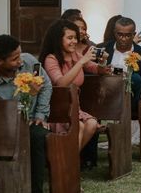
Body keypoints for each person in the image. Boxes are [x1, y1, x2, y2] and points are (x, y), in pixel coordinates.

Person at [0, 34, 52, 193]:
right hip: (4, 128)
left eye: (19, 55)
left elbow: (46, 85)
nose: (20, 61)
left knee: (37, 138)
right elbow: (1, 114)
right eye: (14, 59)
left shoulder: (29, 61)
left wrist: (40, 114)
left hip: (32, 122)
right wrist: (27, 93)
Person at [39, 19, 107, 150]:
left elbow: (98, 69)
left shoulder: (76, 55)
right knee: (79, 126)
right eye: (70, 38)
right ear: (58, 39)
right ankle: (67, 163)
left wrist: (103, 61)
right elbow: (61, 84)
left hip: (75, 107)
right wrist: (81, 62)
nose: (74, 41)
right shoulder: (51, 59)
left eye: (75, 38)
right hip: (58, 108)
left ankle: (69, 161)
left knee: (92, 124)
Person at [102, 17, 141, 119]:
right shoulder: (104, 49)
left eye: (127, 35)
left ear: (134, 35)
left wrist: (128, 79)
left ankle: (128, 114)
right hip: (106, 93)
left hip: (130, 97)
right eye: (120, 34)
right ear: (114, 33)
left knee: (135, 78)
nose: (123, 38)